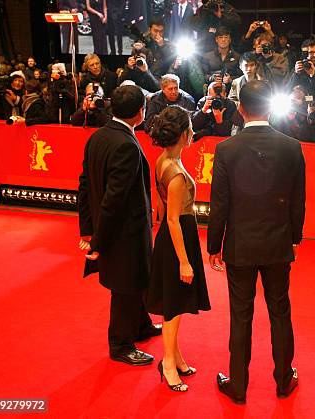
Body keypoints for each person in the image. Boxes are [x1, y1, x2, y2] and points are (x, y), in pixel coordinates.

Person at [208, 80, 305, 404]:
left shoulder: (226, 149)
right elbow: (297, 201)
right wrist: (294, 239)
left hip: (240, 245)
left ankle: (238, 385)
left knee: (241, 314)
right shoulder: (292, 147)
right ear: (271, 105)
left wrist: (213, 245)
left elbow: (219, 202)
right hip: (278, 243)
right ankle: (283, 379)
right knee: (280, 311)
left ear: (240, 108)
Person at [78, 85, 161, 366]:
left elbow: (84, 185)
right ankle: (121, 345)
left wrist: (88, 229)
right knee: (126, 286)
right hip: (124, 232)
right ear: (141, 112)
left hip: (111, 228)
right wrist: (97, 241)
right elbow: (115, 199)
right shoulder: (125, 144)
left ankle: (141, 325)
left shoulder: (99, 136)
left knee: (135, 280)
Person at [145, 105, 211, 392]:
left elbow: (160, 211)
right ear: (184, 133)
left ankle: (177, 357)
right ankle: (168, 363)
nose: (194, 131)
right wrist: (184, 262)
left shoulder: (163, 160)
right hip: (178, 239)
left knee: (176, 305)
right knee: (172, 307)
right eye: (191, 127)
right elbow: (171, 219)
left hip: (174, 238)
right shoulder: (175, 173)